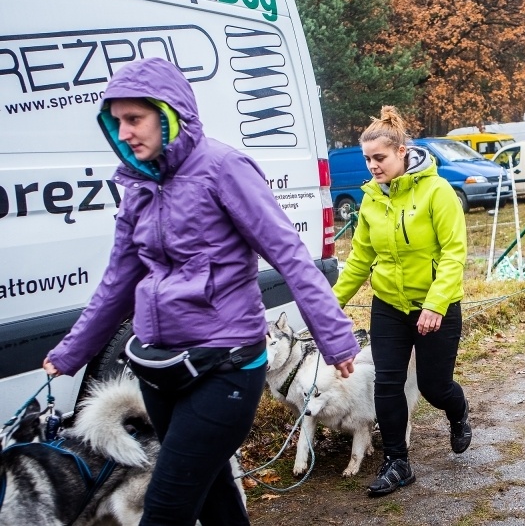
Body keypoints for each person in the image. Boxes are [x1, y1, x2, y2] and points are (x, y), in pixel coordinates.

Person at [42, 57, 360, 525]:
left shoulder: (223, 168)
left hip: (224, 366)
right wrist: (70, 353)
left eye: (135, 118)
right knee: (213, 497)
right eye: (117, 122)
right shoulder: (138, 185)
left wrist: (335, 338)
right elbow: (117, 282)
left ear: (168, 112)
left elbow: (288, 254)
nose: (125, 131)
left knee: (166, 509)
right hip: (159, 367)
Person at [333, 106, 472, 496]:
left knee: (433, 386)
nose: (373, 166)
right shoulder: (372, 200)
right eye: (368, 159)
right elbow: (360, 258)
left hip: (437, 306)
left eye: (380, 158)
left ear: (402, 152)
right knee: (387, 384)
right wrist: (328, 306)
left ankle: (458, 412)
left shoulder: (437, 191)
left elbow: (453, 253)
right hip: (389, 306)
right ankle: (397, 462)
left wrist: (435, 303)